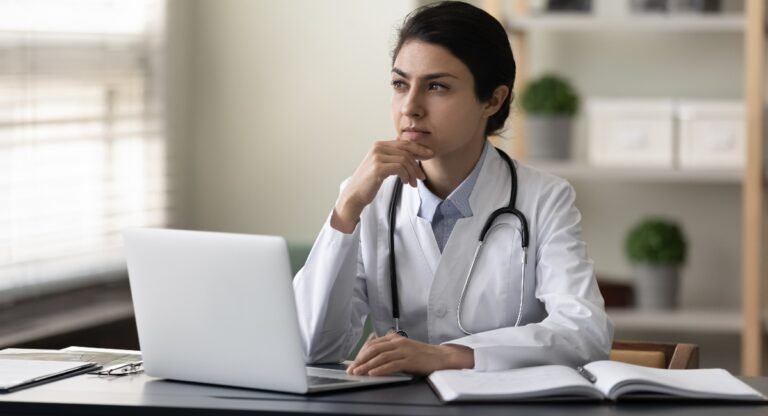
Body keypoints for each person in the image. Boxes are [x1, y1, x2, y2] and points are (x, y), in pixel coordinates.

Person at [293, 1, 613, 376]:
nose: (410, 107)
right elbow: (313, 348)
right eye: (400, 84)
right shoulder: (369, 196)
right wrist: (346, 210)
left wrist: (449, 356)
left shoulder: (544, 198)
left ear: (493, 100)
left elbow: (585, 333)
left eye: (437, 86)